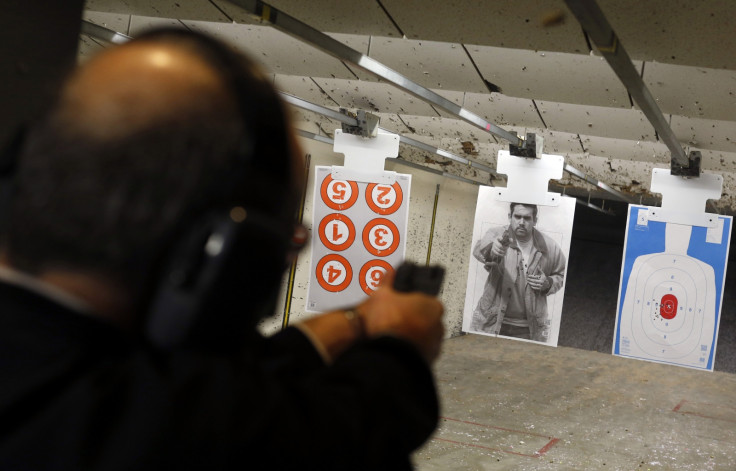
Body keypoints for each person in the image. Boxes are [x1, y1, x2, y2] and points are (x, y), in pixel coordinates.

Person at [0, 29, 444, 470]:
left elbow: (194, 398)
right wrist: (399, 349)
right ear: (230, 255)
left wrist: (346, 326)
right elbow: (326, 437)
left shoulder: (57, 378)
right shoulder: (158, 434)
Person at [470, 202, 565, 342]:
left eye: (527, 218)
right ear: (510, 217)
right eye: (517, 216)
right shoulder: (496, 234)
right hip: (491, 322)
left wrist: (548, 283)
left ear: (535, 221)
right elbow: (479, 249)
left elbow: (561, 275)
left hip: (530, 328)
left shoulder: (550, 246)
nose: (521, 222)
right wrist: (492, 249)